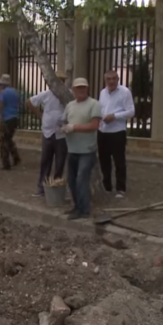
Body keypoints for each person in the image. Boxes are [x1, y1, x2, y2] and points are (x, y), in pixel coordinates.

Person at [60, 77, 102, 220]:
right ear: (73, 90)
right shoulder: (70, 105)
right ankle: (77, 206)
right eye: (78, 88)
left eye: (83, 87)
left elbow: (94, 125)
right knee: (71, 180)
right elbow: (65, 120)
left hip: (87, 150)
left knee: (81, 179)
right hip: (72, 148)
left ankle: (84, 210)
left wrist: (74, 127)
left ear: (87, 89)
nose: (81, 90)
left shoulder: (94, 104)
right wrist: (64, 128)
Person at [27, 72, 68, 197]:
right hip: (48, 132)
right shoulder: (46, 94)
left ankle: (56, 186)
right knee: (46, 160)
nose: (58, 84)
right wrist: (40, 115)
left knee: (60, 161)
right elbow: (29, 102)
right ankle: (41, 187)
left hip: (62, 133)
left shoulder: (67, 95)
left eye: (61, 81)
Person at [97, 70, 135, 198]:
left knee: (119, 160)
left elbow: (131, 111)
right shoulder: (103, 93)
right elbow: (101, 109)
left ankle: (120, 188)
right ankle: (107, 186)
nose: (111, 81)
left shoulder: (124, 92)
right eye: (108, 79)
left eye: (114, 79)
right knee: (104, 160)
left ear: (118, 79)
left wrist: (115, 116)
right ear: (105, 80)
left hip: (117, 131)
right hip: (103, 131)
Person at [0, 74, 21, 170]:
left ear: (2, 84)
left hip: (6, 119)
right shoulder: (15, 92)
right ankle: (16, 157)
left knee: (3, 141)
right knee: (8, 139)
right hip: (15, 118)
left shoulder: (3, 94)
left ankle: (6, 164)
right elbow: (19, 105)